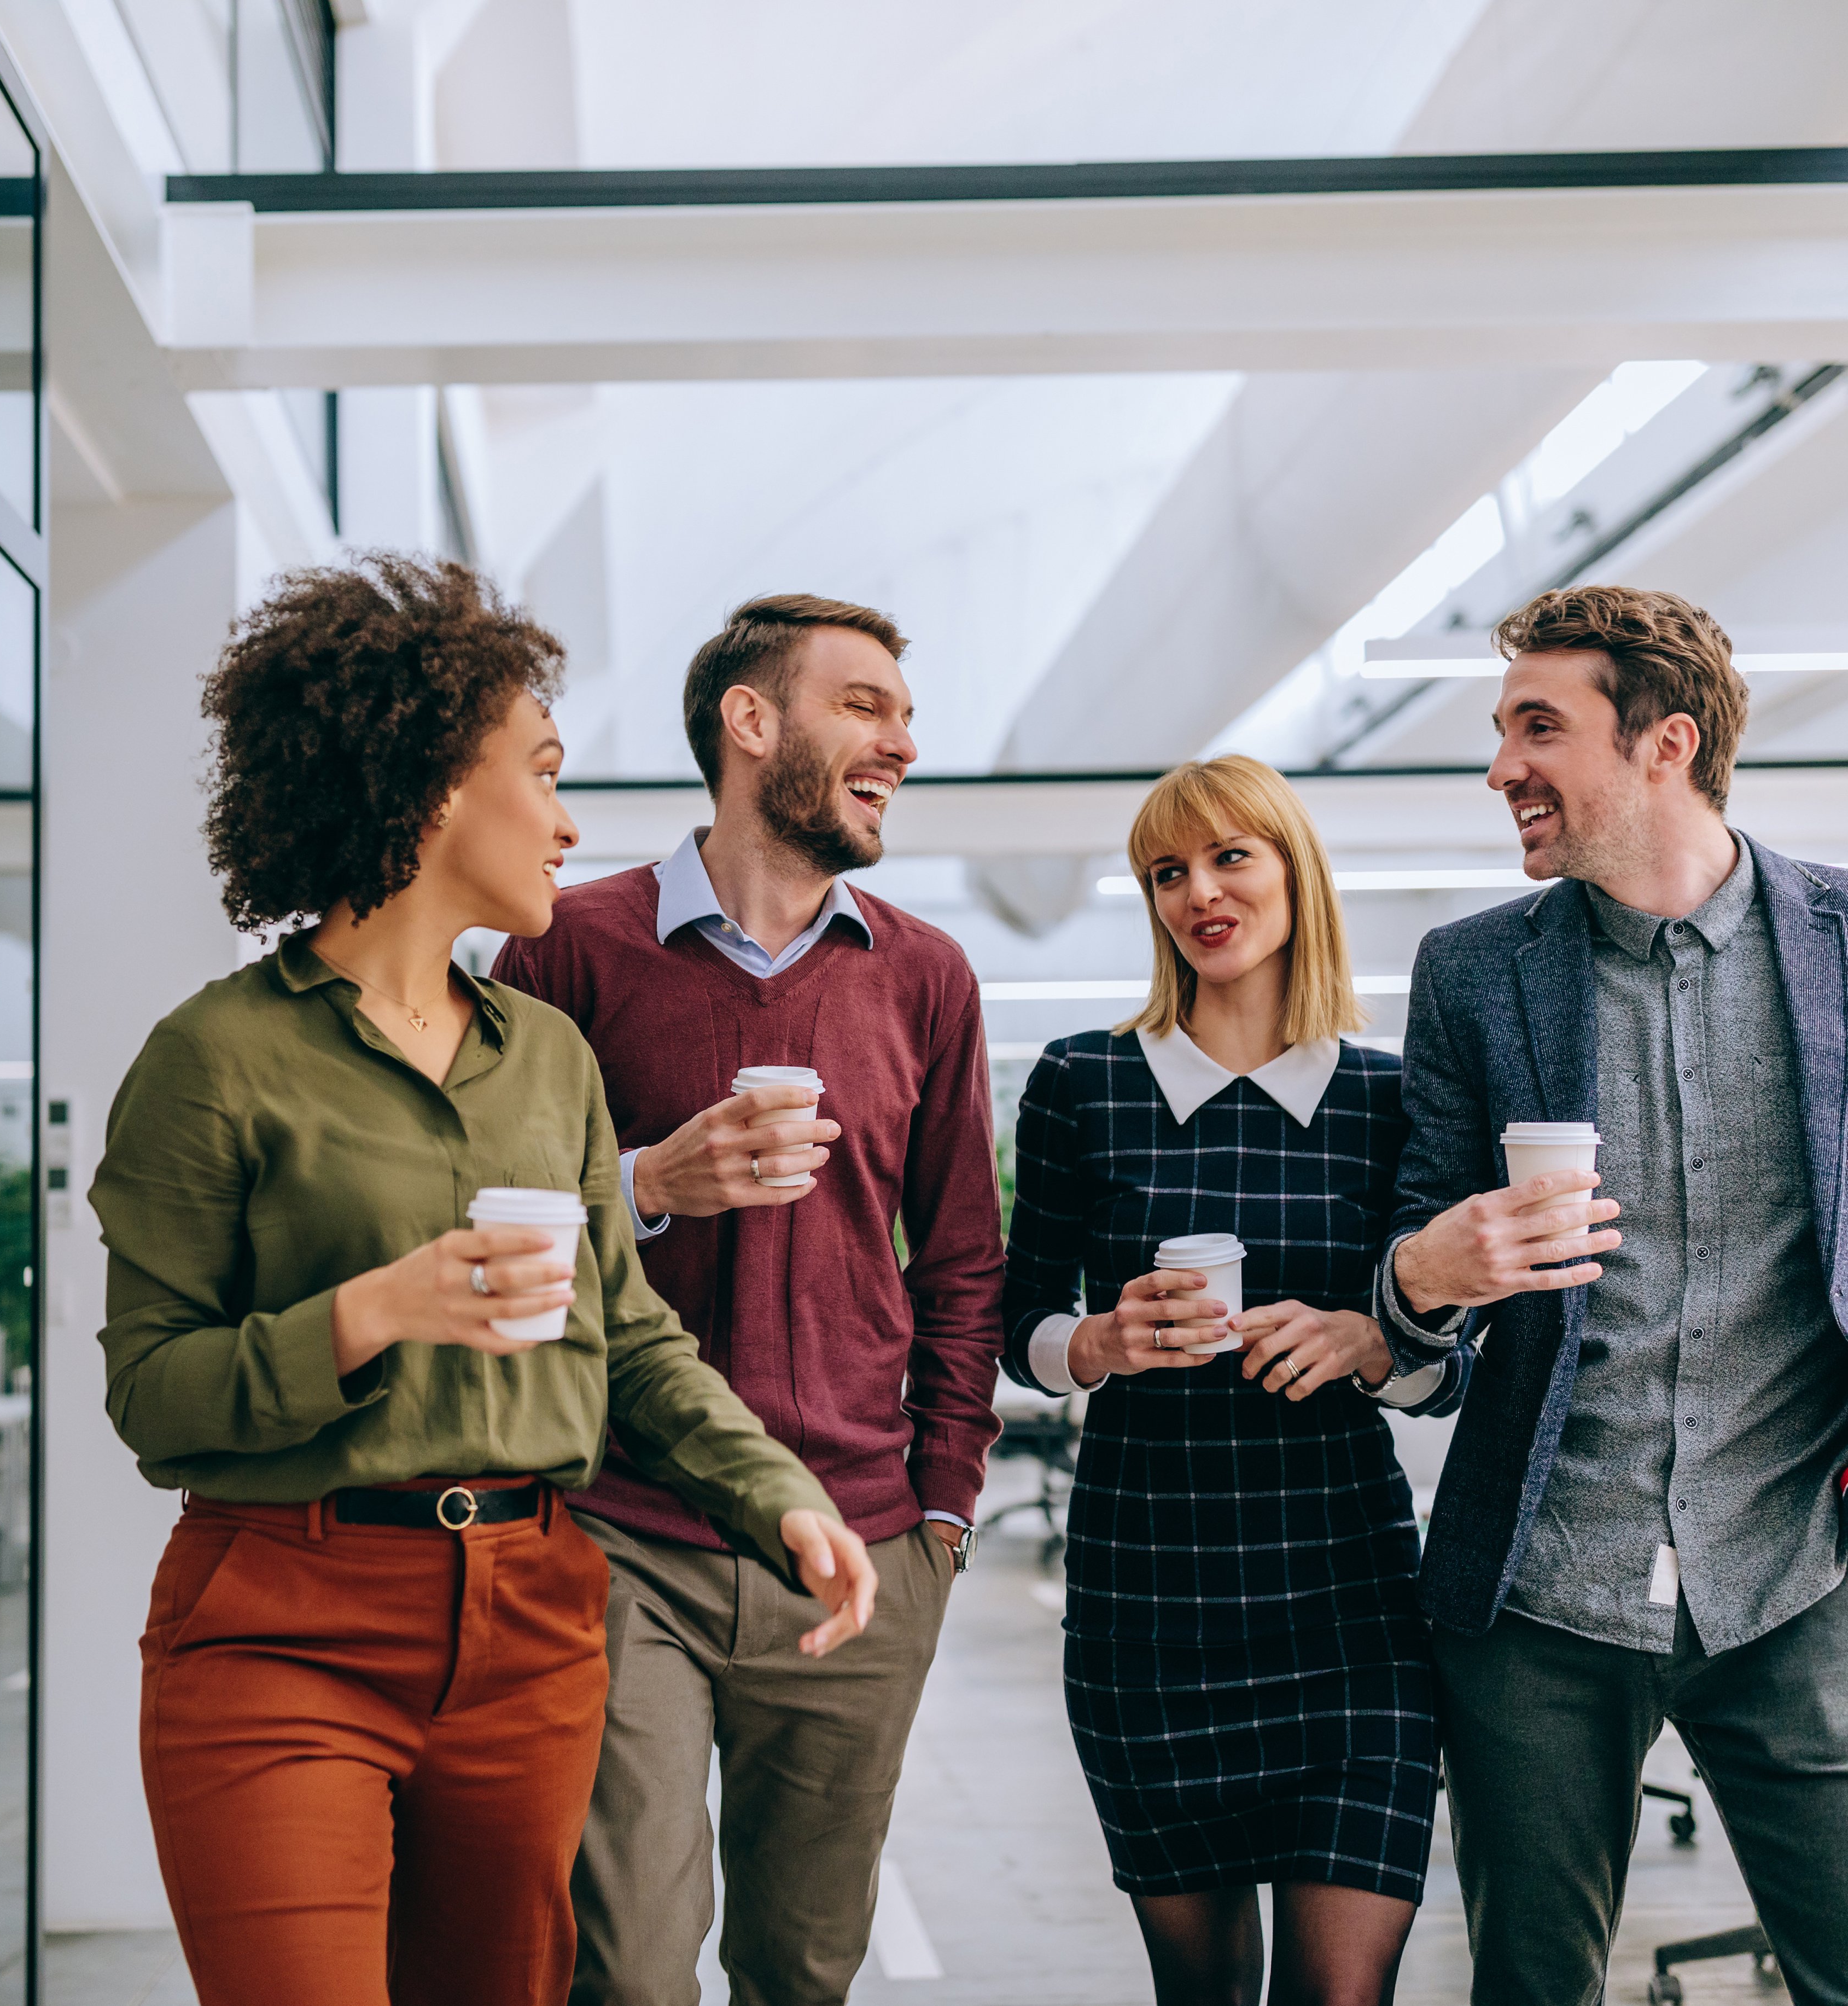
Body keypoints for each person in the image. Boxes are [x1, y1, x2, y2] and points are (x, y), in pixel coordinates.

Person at [90, 555, 880, 2006]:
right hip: (281, 1620)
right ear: (431, 781)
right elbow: (152, 1396)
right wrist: (371, 1311)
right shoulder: (216, 1061)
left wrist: (780, 1495)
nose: (571, 820)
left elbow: (631, 1340)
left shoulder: (549, 1058)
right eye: (543, 770)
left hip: (529, 1620)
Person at [1374, 586, 1848, 2006]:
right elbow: (1420, 1310)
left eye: (1536, 727)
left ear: (1664, 742)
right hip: (1539, 1585)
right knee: (1529, 1987)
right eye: (1502, 730)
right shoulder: (1473, 974)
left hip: (1810, 1567)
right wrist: (1420, 1281)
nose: (1501, 765)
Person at [492, 593, 1005, 2006]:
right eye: (864, 705)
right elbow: (490, 1215)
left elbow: (961, 1259)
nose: (901, 739)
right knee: (630, 1968)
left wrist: (942, 1510)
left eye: (901, 711)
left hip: (858, 1540)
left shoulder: (923, 974)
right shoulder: (564, 950)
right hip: (617, 1526)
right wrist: (648, 1178)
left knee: (802, 1964)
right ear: (749, 720)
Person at [1000, 754, 1453, 2006]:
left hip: (1345, 1600)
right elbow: (1016, 1320)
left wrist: (1372, 1340)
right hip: (1149, 1596)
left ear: (1292, 872)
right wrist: (1093, 1344)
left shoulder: (1387, 1097)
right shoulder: (1082, 1084)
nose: (1197, 891)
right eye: (1165, 871)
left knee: (1339, 1995)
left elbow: (1444, 1368)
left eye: (1228, 857)